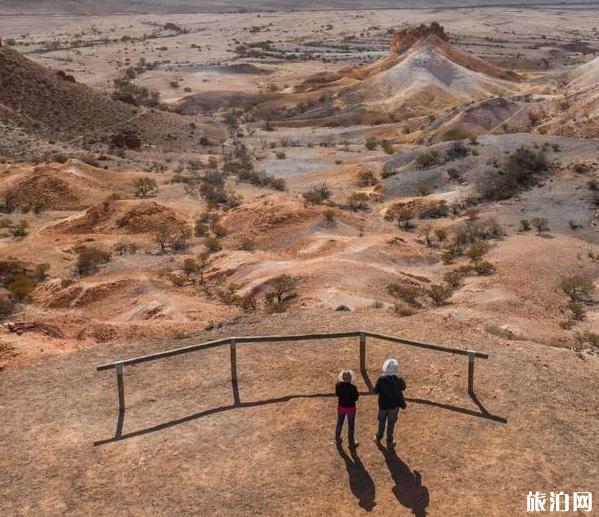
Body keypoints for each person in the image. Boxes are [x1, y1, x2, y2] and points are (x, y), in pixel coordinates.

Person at [374, 358, 406, 447]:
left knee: (381, 422)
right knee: (391, 424)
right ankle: (389, 441)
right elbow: (404, 387)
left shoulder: (381, 379)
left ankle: (378, 436)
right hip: (394, 407)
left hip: (383, 406)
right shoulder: (398, 380)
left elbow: (375, 390)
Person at [335, 369, 360, 448]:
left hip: (341, 407)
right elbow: (356, 398)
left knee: (339, 423)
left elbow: (337, 394)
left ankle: (337, 438)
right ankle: (351, 443)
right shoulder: (353, 388)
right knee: (350, 425)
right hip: (351, 408)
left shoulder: (338, 385)